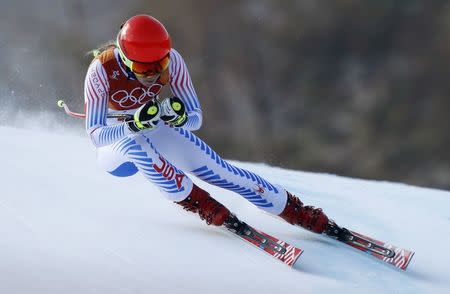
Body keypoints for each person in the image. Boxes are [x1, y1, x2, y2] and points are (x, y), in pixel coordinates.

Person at [84, 14, 329, 234]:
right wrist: (133, 125)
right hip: (115, 146)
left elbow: (195, 118)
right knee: (135, 146)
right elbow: (95, 135)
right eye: (142, 68)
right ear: (126, 60)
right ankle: (203, 204)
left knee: (221, 170)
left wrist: (179, 118)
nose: (152, 75)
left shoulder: (174, 61)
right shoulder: (101, 71)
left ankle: (293, 209)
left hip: (152, 125)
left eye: (159, 66)